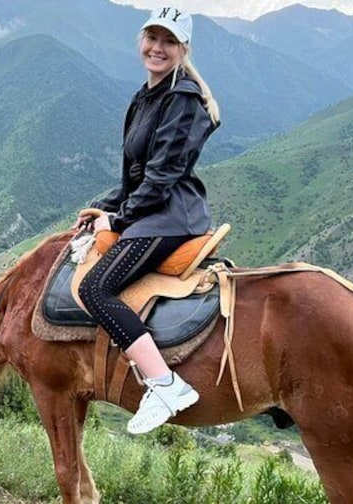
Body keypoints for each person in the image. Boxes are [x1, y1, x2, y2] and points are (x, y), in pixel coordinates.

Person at [73, 6, 220, 435]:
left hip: (170, 217)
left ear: (183, 48)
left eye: (169, 41)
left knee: (95, 288)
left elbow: (159, 180)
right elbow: (135, 177)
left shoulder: (182, 99)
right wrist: (103, 207)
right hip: (154, 210)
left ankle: (165, 384)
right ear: (141, 40)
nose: (158, 47)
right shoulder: (146, 96)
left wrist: (118, 220)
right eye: (152, 38)